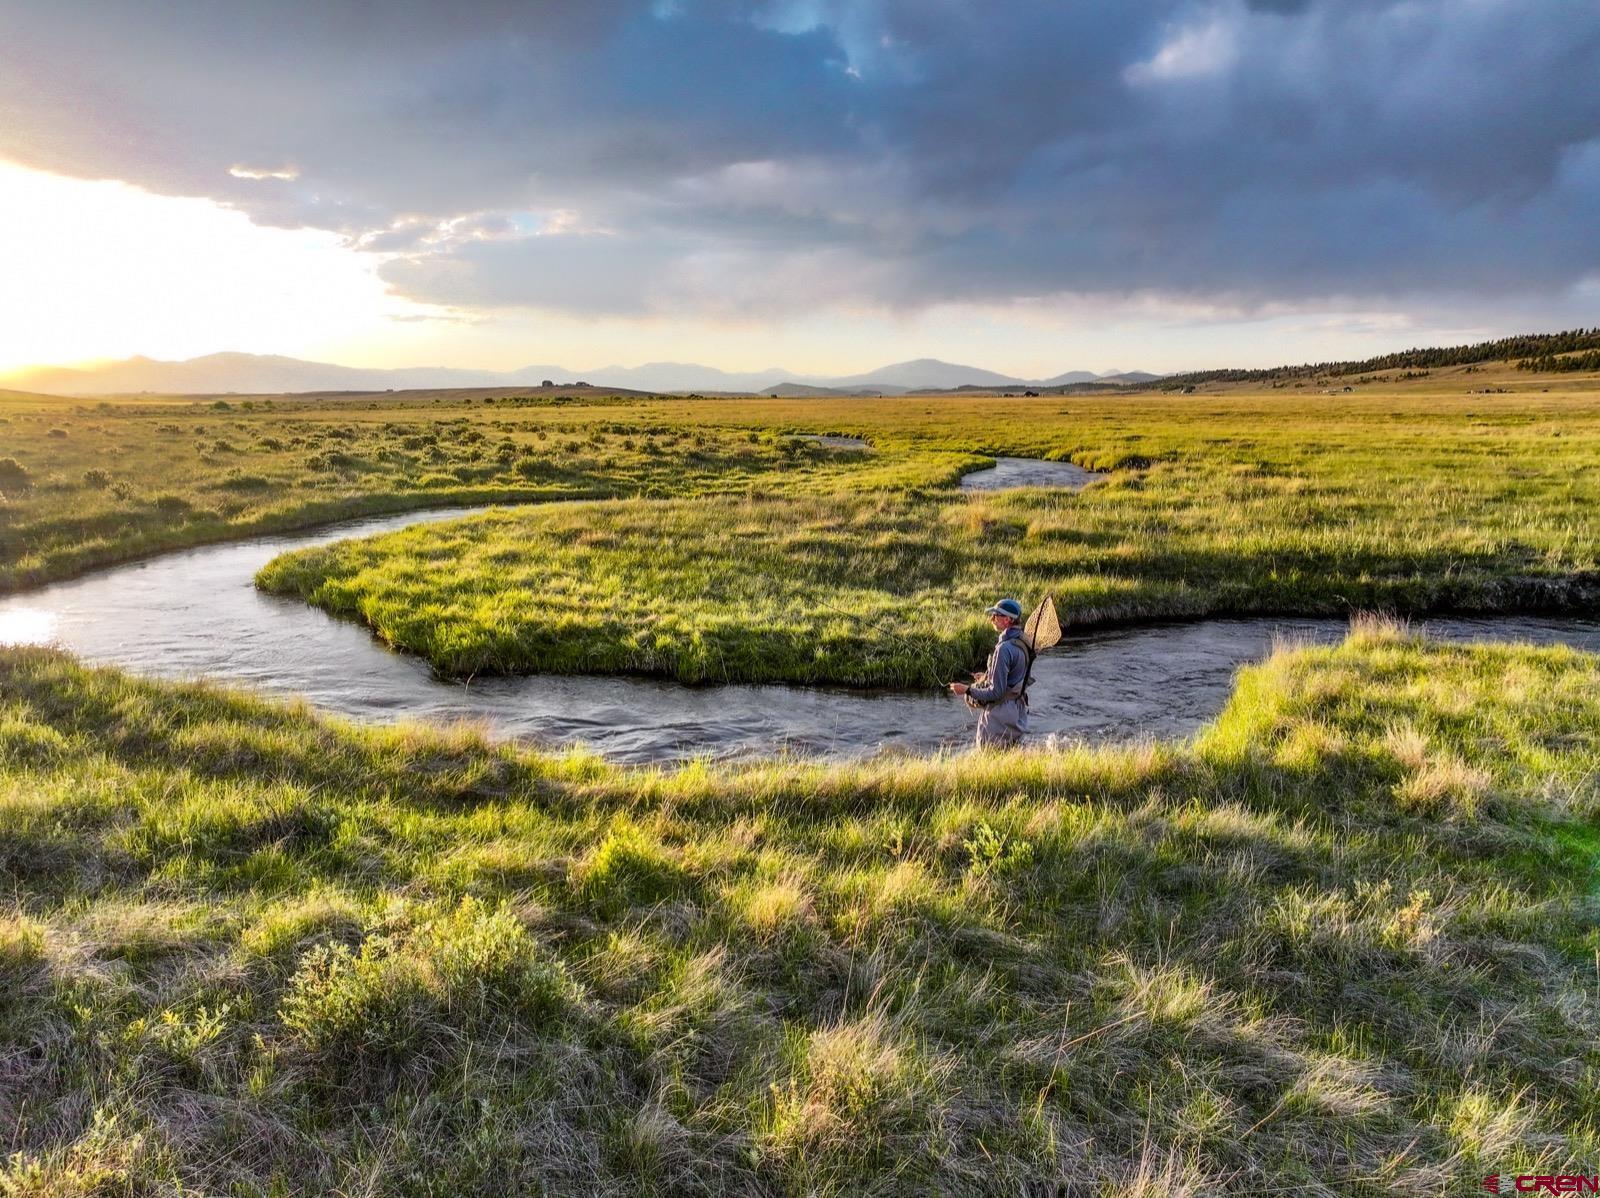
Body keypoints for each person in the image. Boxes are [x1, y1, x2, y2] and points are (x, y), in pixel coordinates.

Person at [948, 597, 1031, 749]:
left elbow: (996, 693)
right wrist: (987, 677)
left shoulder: (1004, 649)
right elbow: (1013, 677)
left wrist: (967, 690)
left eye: (996, 615)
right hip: (1017, 710)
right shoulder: (1022, 642)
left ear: (1007, 620)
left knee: (988, 757)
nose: (992, 618)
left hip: (999, 716)